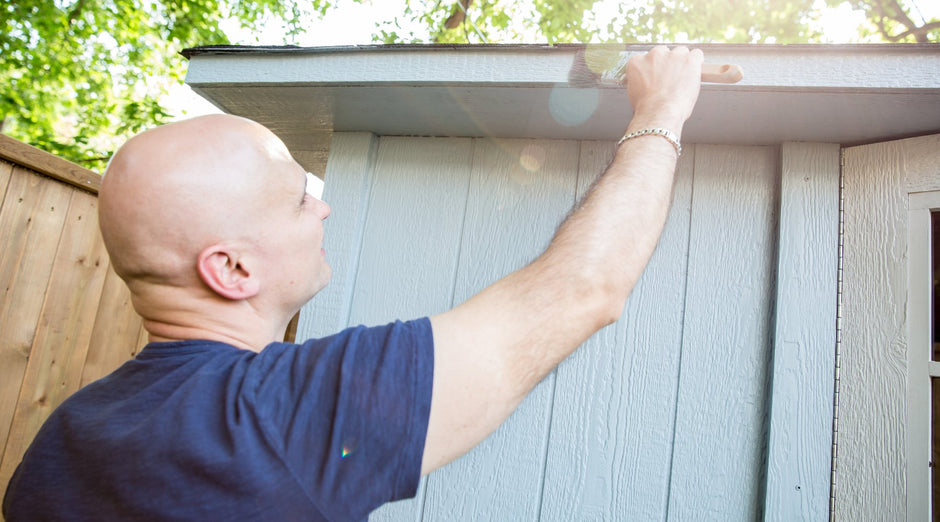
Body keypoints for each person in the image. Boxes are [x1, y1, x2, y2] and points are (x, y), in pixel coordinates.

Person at [3, 46, 703, 520]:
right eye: (300, 198)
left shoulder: (59, 442)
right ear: (232, 269)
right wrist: (662, 112)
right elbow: (585, 288)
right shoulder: (278, 417)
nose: (324, 206)